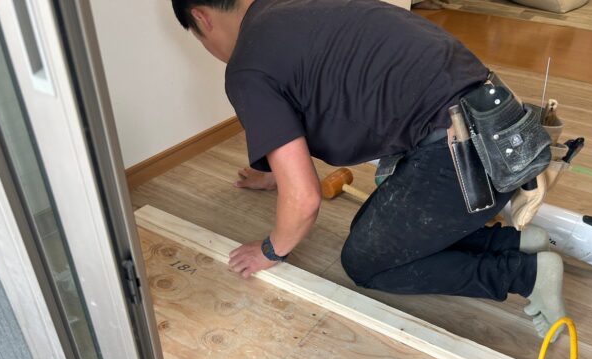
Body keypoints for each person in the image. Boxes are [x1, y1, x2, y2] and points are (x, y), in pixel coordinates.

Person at [170, 0, 566, 339]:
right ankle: (516, 242)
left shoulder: (247, 66)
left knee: (366, 263)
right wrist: (274, 171)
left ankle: (526, 274)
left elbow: (305, 200)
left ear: (201, 17)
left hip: (467, 155)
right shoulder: (294, 9)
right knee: (374, 229)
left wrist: (270, 250)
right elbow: (308, 103)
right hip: (504, 129)